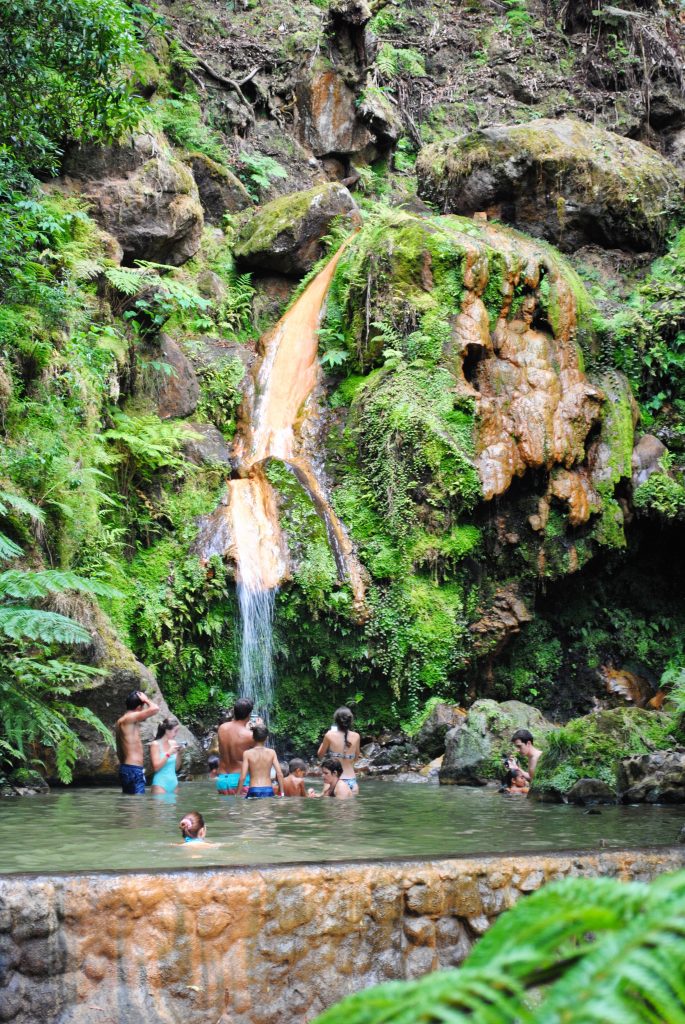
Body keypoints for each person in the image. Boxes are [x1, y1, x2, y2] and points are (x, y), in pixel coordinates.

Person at [115, 689, 160, 794]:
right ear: (139, 707)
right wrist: (146, 700)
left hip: (127, 768)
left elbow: (119, 748)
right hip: (133, 769)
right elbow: (155, 709)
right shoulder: (130, 717)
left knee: (130, 804)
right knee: (137, 805)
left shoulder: (121, 721)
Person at [216, 698, 260, 795]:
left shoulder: (222, 728)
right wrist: (259, 727)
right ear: (249, 715)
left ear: (234, 711)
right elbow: (260, 749)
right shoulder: (249, 736)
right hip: (240, 781)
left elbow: (234, 733)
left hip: (222, 780)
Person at [317, 707, 361, 795]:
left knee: (330, 807)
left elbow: (320, 755)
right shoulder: (356, 736)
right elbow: (356, 758)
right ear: (350, 721)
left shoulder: (329, 735)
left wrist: (325, 741)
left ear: (336, 721)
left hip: (335, 779)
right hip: (352, 781)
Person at [237, 725, 285, 799]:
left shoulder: (247, 753)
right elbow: (279, 774)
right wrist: (282, 793)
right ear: (266, 738)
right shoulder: (272, 752)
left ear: (253, 737)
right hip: (268, 789)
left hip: (253, 789)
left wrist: (238, 794)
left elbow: (243, 776)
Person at [150, 717, 183, 794]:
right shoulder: (155, 744)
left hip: (174, 783)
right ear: (167, 730)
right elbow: (156, 768)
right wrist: (168, 753)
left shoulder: (173, 743)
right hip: (160, 784)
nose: (176, 734)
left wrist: (179, 753)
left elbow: (176, 767)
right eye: (175, 731)